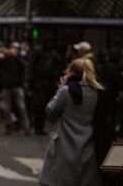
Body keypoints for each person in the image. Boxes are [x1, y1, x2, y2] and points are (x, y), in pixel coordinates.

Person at [39, 58, 106, 186]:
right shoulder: (96, 92)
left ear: (70, 72)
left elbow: (50, 110)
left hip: (65, 144)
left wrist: (61, 87)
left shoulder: (66, 91)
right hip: (89, 144)